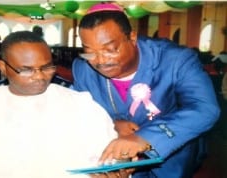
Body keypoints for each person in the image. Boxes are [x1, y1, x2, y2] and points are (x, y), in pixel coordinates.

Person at [0, 31, 118, 178]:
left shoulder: (79, 105)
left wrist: (111, 169)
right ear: (3, 67)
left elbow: (109, 157)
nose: (39, 76)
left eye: (46, 67)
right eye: (26, 70)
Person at [71, 3, 220, 178]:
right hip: (116, 159)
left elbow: (205, 109)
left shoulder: (174, 59)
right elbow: (80, 114)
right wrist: (111, 124)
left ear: (132, 38)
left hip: (169, 158)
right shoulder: (83, 70)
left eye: (110, 50)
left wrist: (146, 137)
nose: (100, 60)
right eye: (90, 52)